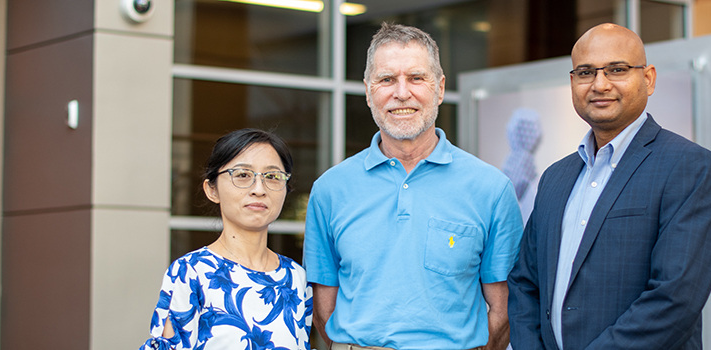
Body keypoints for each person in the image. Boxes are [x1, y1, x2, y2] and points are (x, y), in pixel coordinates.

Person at [304, 23, 523, 350]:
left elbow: (504, 309)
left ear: (440, 88)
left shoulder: (491, 189)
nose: (402, 93)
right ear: (367, 91)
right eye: (386, 79)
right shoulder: (329, 191)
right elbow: (323, 311)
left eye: (417, 78)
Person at [507, 23, 711, 350]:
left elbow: (675, 297)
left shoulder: (689, 166)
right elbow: (525, 284)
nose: (600, 84)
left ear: (648, 78)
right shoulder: (555, 177)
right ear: (573, 83)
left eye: (617, 70)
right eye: (585, 73)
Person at [140, 129, 313, 350]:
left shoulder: (296, 277)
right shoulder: (191, 272)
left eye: (272, 176)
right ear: (212, 190)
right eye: (242, 175)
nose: (259, 189)